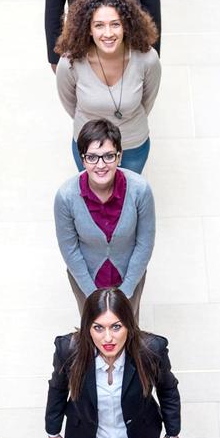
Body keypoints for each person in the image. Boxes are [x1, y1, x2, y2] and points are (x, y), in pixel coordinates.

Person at [46, 287, 180, 438]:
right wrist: (53, 430)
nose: (107, 338)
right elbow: (58, 387)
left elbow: (167, 388)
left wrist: (172, 433)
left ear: (128, 325)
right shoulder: (69, 349)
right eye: (98, 328)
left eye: (116, 327)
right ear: (87, 328)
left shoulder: (151, 349)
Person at [54, 118, 155, 318]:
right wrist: (92, 296)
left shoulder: (140, 190)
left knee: (128, 329)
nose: (100, 165)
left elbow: (145, 243)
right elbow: (69, 249)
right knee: (93, 332)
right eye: (92, 157)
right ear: (82, 159)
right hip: (86, 280)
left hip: (129, 279)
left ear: (119, 156)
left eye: (108, 156)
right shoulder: (66, 196)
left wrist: (126, 292)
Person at [55, 0, 160, 173]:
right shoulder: (69, 63)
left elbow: (147, 102)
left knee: (127, 200)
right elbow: (70, 104)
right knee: (92, 201)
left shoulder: (147, 58)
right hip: (89, 148)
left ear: (126, 26)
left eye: (115, 24)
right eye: (99, 25)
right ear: (88, 29)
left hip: (133, 145)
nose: (108, 33)